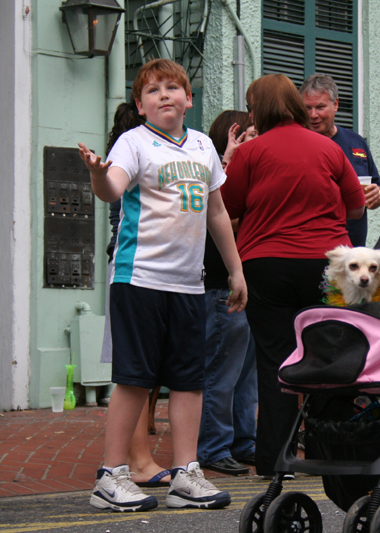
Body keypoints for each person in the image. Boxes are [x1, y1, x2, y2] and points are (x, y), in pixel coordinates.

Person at [79, 59, 246, 512]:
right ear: (140, 105)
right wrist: (97, 172)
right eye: (153, 91)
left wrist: (235, 269)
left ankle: (187, 474)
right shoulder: (133, 143)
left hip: (189, 283)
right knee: (135, 378)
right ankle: (111, 476)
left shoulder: (203, 148)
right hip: (139, 278)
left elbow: (216, 213)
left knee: (190, 381)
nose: (165, 95)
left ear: (189, 99)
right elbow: (112, 188)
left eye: (174, 87)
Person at [222, 74, 365, 477]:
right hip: (325, 264)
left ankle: (273, 460)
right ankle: (328, 451)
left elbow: (228, 211)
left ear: (260, 110)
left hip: (266, 264)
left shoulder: (250, 154)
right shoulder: (329, 149)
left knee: (275, 361)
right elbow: (356, 209)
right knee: (328, 356)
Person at [99, 99, 172, 488]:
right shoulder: (135, 148)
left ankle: (138, 457)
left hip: (138, 267)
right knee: (134, 371)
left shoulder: (126, 149)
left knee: (137, 369)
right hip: (135, 267)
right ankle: (132, 460)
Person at [196, 110, 259, 476]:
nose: (254, 140)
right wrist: (230, 160)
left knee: (245, 372)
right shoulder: (218, 175)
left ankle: (243, 441)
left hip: (244, 286)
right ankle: (214, 446)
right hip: (220, 285)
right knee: (221, 369)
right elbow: (222, 220)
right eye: (246, 135)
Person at [300, 74, 380, 247]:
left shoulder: (356, 141)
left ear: (336, 105)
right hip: (312, 248)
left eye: (320, 107)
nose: (313, 115)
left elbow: (379, 190)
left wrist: (378, 195)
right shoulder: (297, 144)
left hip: (353, 250)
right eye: (307, 108)